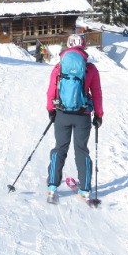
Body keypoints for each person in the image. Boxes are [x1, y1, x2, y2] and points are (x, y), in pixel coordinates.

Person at [45, 34, 103, 202]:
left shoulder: (59, 67)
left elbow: (51, 90)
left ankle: (52, 186)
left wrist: (51, 110)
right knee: (81, 150)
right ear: (83, 47)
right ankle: (85, 189)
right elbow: (97, 93)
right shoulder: (90, 68)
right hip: (82, 115)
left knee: (60, 148)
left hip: (62, 114)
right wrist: (98, 114)